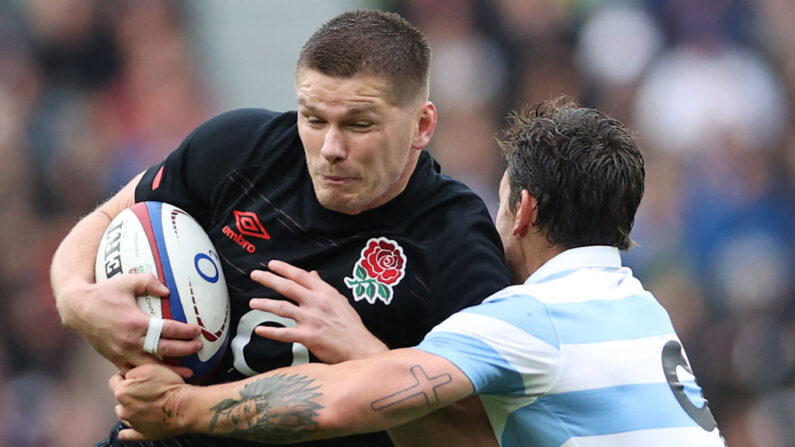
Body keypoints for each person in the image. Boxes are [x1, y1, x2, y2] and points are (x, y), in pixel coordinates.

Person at [108, 97, 726, 446]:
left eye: (503, 198)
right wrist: (368, 349)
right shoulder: (645, 314)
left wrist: (181, 409)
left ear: (524, 212)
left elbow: (333, 406)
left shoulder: (533, 318)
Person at [50, 10, 510, 447]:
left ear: (422, 125)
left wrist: (365, 356)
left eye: (359, 124)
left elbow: (474, 438)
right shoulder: (240, 149)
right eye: (313, 118)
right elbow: (109, 215)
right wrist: (76, 299)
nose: (330, 147)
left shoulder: (455, 239)